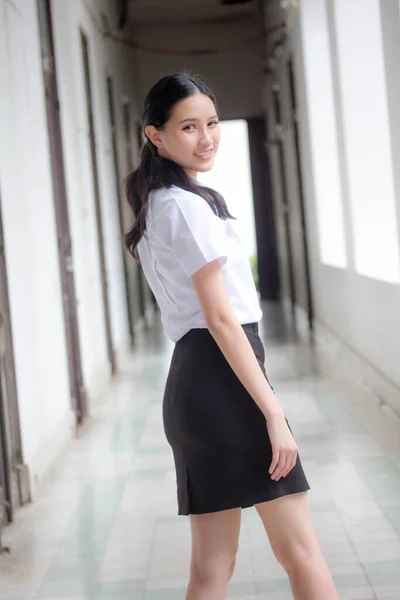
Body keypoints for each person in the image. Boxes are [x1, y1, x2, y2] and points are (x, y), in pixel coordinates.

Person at [124, 72, 338, 600]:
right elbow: (222, 320)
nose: (207, 138)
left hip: (196, 386)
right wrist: (272, 413)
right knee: (302, 553)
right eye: (189, 127)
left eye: (212, 123)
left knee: (211, 570)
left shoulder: (162, 202)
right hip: (225, 385)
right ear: (156, 135)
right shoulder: (185, 206)